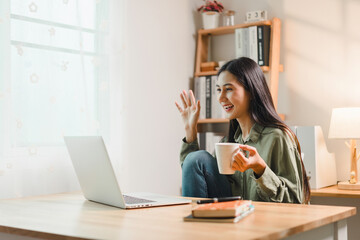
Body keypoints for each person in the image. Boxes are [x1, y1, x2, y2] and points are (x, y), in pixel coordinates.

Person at [175, 57, 310, 204]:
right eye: (219, 90)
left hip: (264, 222)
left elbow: (296, 200)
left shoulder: (278, 137)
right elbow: (193, 174)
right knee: (197, 159)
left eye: (228, 89)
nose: (220, 98)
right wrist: (190, 130)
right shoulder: (228, 142)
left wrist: (261, 169)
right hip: (232, 218)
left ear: (251, 91)